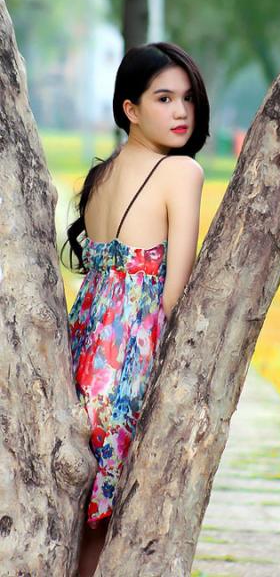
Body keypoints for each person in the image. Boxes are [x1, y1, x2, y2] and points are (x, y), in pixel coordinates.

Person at [61, 41, 210, 577]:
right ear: (131, 108)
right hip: (129, 357)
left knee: (84, 517)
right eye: (163, 98)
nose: (180, 112)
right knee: (110, 519)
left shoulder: (99, 176)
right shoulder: (181, 172)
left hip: (80, 350)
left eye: (187, 99)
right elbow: (173, 291)